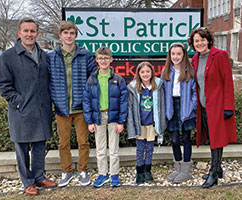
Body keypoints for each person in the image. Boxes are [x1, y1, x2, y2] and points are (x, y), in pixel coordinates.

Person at [0, 18, 57, 195]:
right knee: (22, 149)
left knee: (39, 145)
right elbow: (3, 85)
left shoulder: (44, 55)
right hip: (21, 110)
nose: (29, 34)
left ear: (37, 33)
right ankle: (27, 182)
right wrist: (19, 101)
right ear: (19, 33)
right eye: (26, 31)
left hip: (41, 109)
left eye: (32, 31)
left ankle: (39, 177)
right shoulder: (8, 56)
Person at [47, 21, 97, 187]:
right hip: (62, 107)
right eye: (66, 33)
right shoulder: (51, 57)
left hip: (81, 107)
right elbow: (47, 81)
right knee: (63, 143)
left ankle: (82, 170)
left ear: (76, 35)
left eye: (72, 33)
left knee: (83, 142)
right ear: (60, 35)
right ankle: (66, 171)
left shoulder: (85, 55)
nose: (69, 36)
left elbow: (93, 78)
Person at [187, 27, 237, 188]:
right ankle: (219, 168)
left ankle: (214, 173)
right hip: (203, 106)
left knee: (216, 141)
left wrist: (228, 107)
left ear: (208, 40)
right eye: (196, 41)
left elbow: (228, 82)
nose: (200, 43)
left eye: (202, 40)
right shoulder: (195, 58)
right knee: (211, 138)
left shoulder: (220, 55)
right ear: (193, 44)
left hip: (217, 106)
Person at [83, 47, 128, 187]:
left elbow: (123, 101)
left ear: (111, 60)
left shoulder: (118, 79)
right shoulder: (92, 79)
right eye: (100, 58)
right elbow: (87, 101)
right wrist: (89, 121)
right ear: (96, 60)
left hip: (113, 117)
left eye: (106, 58)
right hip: (98, 117)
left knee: (114, 148)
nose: (103, 61)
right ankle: (103, 174)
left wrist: (121, 121)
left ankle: (114, 174)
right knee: (100, 148)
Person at [161, 42, 197, 183]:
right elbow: (162, 92)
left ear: (184, 55)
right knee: (175, 139)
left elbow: (195, 92)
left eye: (179, 54)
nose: (176, 57)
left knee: (186, 139)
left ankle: (186, 170)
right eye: (173, 54)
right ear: (170, 56)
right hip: (172, 108)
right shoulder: (166, 72)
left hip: (186, 107)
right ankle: (178, 168)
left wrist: (192, 106)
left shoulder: (190, 71)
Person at [127, 61, 167, 184]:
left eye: (148, 71)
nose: (145, 74)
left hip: (152, 123)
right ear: (138, 73)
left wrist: (161, 122)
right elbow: (130, 108)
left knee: (149, 148)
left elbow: (162, 105)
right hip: (140, 124)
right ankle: (139, 171)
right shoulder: (133, 88)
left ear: (152, 73)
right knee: (140, 148)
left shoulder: (158, 86)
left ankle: (147, 170)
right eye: (142, 72)